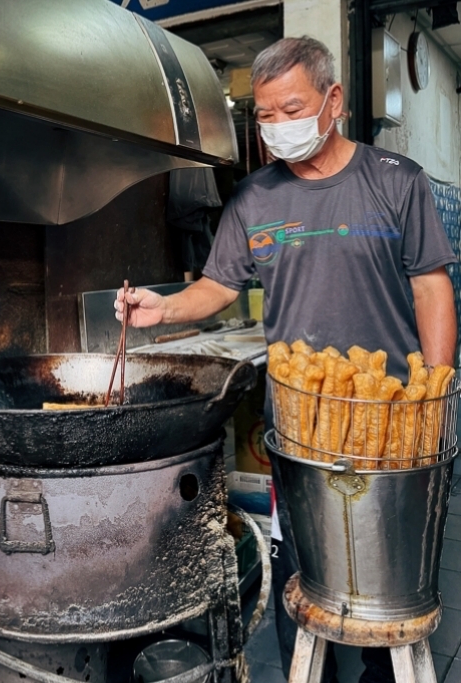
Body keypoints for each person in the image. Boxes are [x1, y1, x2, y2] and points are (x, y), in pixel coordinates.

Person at [115, 36, 457, 683]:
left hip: (386, 419)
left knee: (388, 576)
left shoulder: (395, 182)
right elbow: (220, 285)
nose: (276, 129)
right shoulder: (254, 199)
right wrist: (163, 308)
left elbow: (430, 286)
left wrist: (432, 399)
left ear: (333, 102)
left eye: (290, 109)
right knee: (305, 567)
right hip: (299, 424)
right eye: (264, 115)